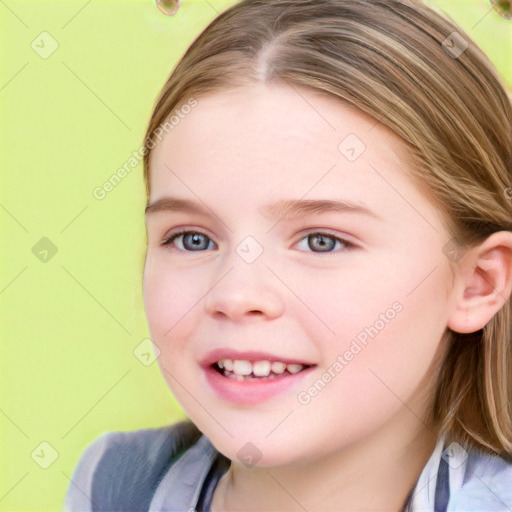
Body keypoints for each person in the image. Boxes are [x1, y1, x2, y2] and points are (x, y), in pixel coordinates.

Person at [63, 0, 512, 510]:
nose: (235, 294)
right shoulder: (115, 486)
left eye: (322, 241)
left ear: (477, 283)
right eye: (192, 238)